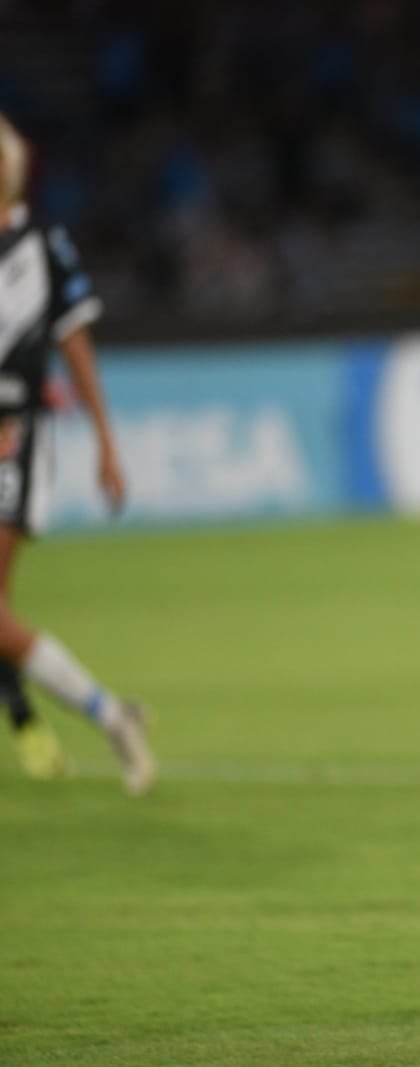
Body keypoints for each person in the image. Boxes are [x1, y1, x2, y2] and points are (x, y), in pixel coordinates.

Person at [0, 112, 155, 793]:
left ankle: (100, 714)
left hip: (16, 439)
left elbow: (75, 346)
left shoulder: (43, 245)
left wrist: (107, 442)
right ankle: (105, 714)